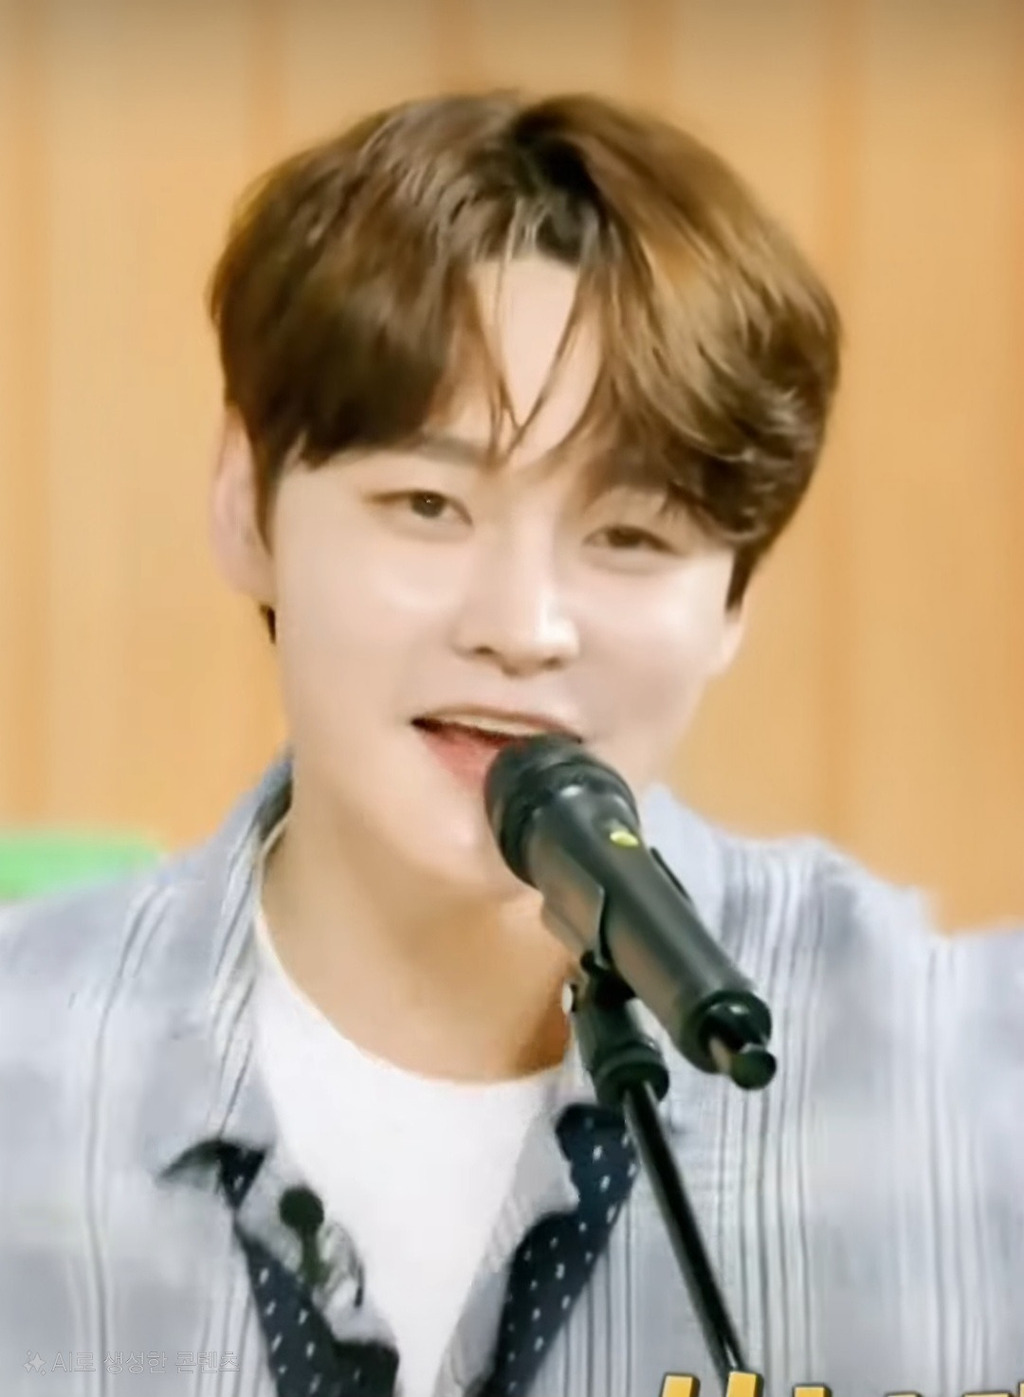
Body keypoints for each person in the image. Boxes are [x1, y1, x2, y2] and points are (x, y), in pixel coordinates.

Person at [0, 90, 1020, 1397]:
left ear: (735, 597)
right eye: (428, 505)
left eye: (630, 535)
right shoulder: (26, 1062)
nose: (523, 629)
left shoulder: (969, 1077)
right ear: (247, 503)